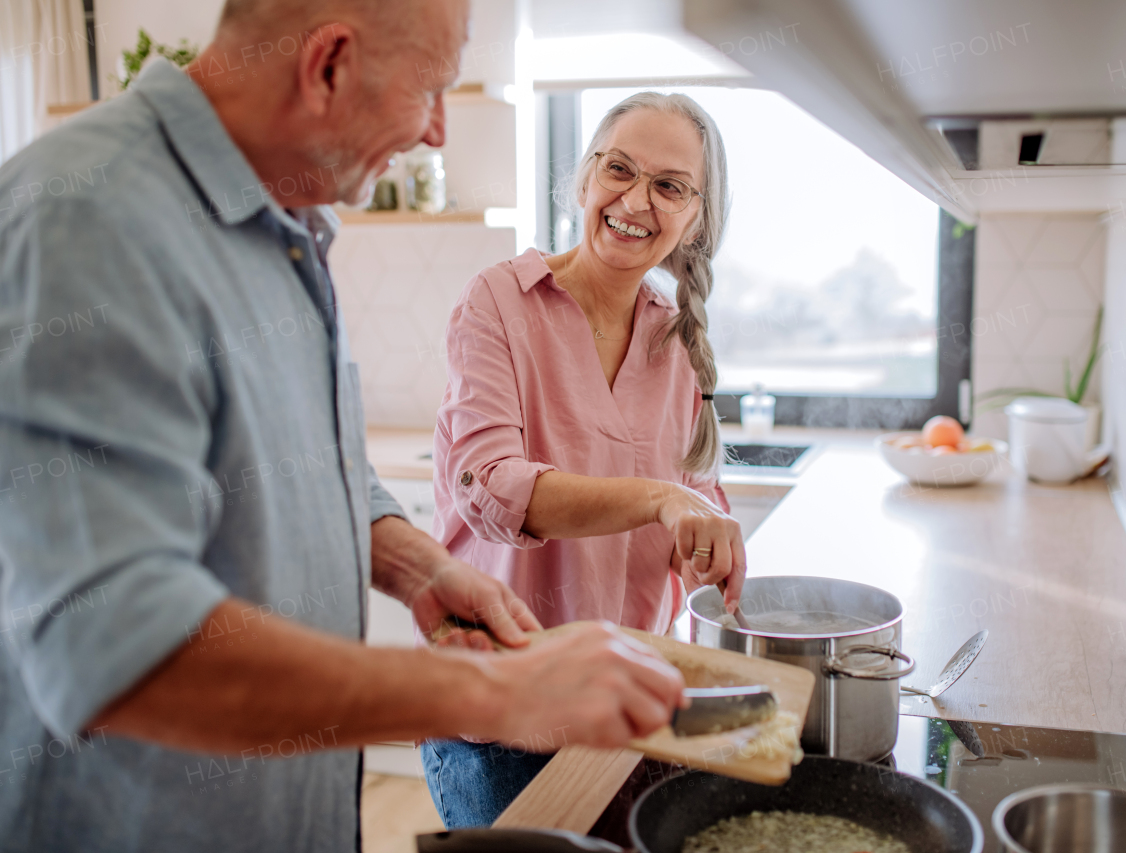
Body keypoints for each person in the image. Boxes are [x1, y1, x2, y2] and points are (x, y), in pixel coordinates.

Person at [0, 3, 684, 851]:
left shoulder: (289, 224)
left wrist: (417, 564)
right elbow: (117, 646)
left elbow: (304, 464)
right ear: (326, 63)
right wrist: (495, 696)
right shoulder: (90, 220)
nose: (437, 132)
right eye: (431, 91)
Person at [425, 92, 743, 827]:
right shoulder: (498, 302)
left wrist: (704, 541)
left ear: (696, 218)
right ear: (583, 180)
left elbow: (694, 512)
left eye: (669, 186)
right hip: (499, 712)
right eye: (619, 170)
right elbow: (493, 489)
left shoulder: (677, 345)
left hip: (626, 710)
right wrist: (662, 499)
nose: (636, 200)